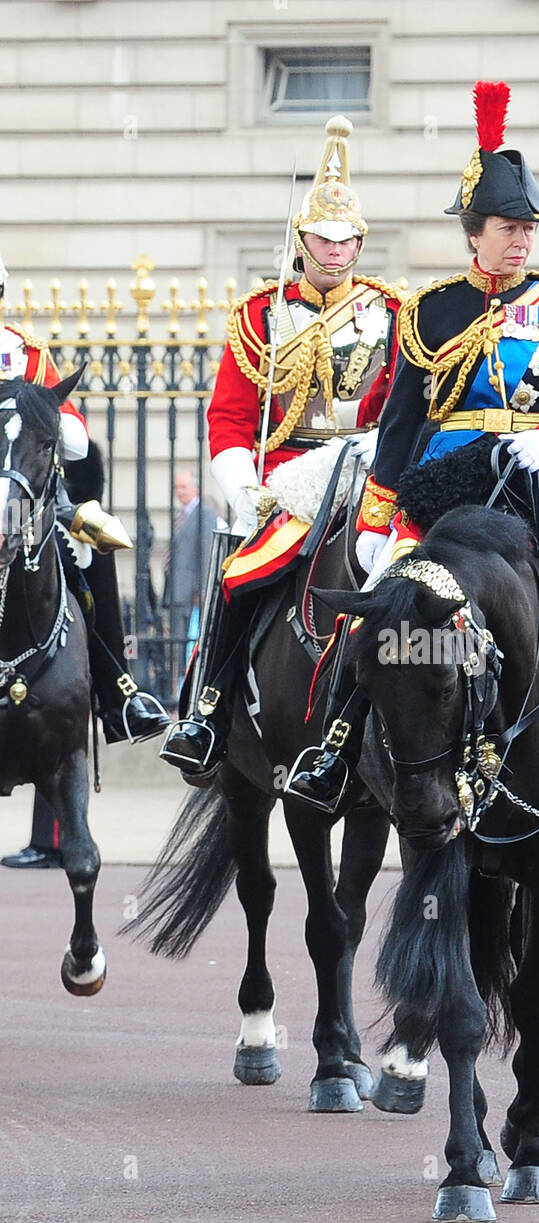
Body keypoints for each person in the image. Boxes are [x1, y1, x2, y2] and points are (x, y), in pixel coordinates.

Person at [289, 81, 539, 821]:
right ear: (473, 231)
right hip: (447, 484)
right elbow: (404, 425)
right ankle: (336, 747)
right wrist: (379, 521)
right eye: (509, 225)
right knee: (381, 611)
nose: (522, 239)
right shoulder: (428, 310)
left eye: (528, 227)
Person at [160, 115, 402, 780]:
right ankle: (207, 708)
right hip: (281, 485)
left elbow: (401, 408)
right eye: (323, 237)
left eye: (346, 237)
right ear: (303, 240)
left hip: (367, 477)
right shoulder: (259, 315)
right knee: (239, 575)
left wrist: (380, 452)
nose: (334, 248)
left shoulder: (391, 313)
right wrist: (243, 487)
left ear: (360, 242)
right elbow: (231, 418)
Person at [0, 253, 169, 869]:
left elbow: (73, 436)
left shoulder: (26, 351)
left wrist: (45, 417)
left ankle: (118, 692)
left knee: (85, 559)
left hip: (25, 497)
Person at [162, 469, 219, 694]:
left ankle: (189, 691)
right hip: (177, 592)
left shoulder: (204, 514)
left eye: (184, 487)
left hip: (192, 593)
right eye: (177, 488)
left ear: (195, 488)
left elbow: (206, 552)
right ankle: (177, 691)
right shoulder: (183, 515)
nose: (179, 492)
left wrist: (203, 589)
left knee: (190, 644)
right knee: (177, 645)